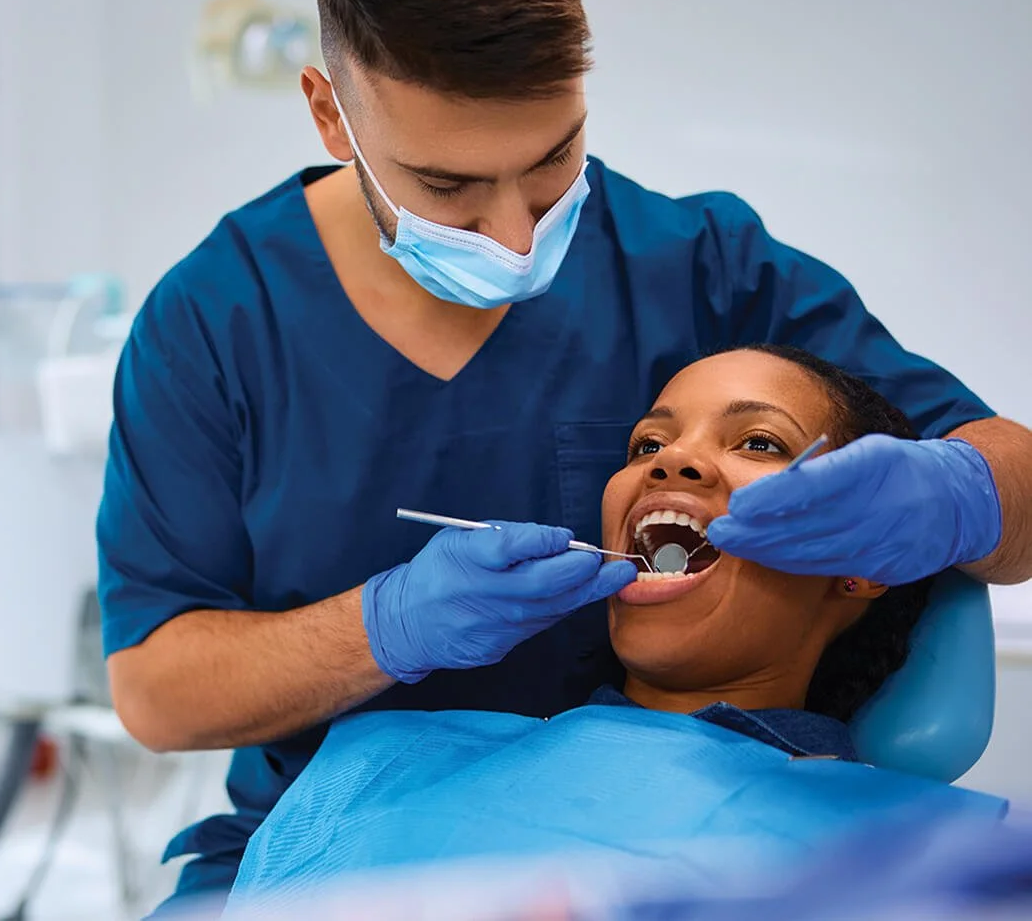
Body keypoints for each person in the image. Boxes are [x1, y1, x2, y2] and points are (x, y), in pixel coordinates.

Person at [96, 0, 1032, 915]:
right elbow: (156, 691)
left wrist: (953, 495)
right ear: (328, 114)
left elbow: (1014, 484)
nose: (511, 234)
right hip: (341, 834)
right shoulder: (217, 320)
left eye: (551, 161)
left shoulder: (700, 268)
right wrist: (385, 623)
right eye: (450, 186)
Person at [220, 347, 1007, 915]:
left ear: (862, 554)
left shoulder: (934, 858)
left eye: (759, 442)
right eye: (649, 445)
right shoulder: (380, 763)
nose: (674, 464)